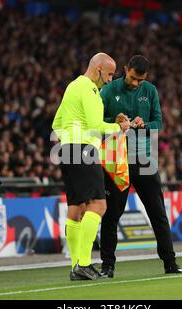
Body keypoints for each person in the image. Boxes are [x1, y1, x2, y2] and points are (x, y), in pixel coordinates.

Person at [99, 55, 182, 277]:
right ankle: (107, 266)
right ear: (125, 69)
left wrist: (144, 124)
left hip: (144, 160)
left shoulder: (150, 91)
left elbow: (159, 123)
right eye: (133, 78)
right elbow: (96, 123)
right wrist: (114, 122)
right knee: (111, 216)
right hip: (117, 161)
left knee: (158, 214)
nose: (136, 83)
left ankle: (170, 262)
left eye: (140, 80)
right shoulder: (109, 90)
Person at [52, 53, 130, 280]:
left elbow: (56, 123)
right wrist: (120, 127)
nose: (109, 80)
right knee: (98, 205)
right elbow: (96, 125)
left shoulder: (72, 87)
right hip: (84, 150)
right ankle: (84, 263)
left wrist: (70, 139)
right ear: (97, 69)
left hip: (67, 150)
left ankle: (76, 266)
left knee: (77, 207)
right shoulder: (90, 89)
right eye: (108, 74)